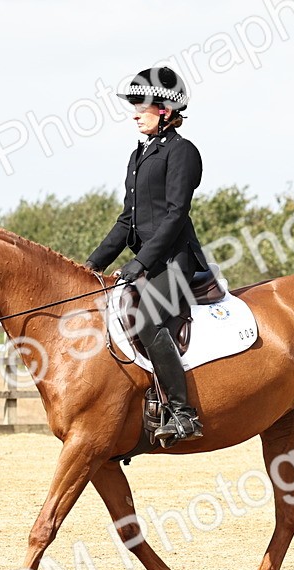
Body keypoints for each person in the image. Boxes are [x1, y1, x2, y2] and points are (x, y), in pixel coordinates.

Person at [85, 66, 209, 445]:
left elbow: (175, 215)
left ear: (166, 110)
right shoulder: (138, 156)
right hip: (151, 262)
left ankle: (184, 413)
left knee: (147, 321)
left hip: (175, 261)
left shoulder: (183, 152)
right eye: (134, 105)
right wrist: (91, 265)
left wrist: (140, 263)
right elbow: (127, 221)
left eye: (141, 105)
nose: (134, 112)